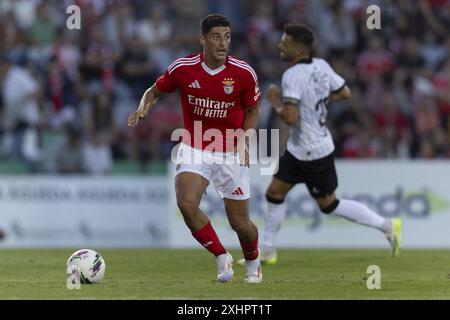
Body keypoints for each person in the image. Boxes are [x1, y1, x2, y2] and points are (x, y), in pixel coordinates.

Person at [251, 23, 402, 265]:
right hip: (301, 147)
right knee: (274, 192)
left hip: (312, 152)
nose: (280, 45)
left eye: (285, 43)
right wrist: (316, 97)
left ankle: (387, 225)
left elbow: (289, 117)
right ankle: (267, 251)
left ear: (299, 49)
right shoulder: (321, 66)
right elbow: (345, 93)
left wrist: (275, 101)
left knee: (329, 204)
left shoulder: (292, 75)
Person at [128, 14, 262, 283]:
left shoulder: (243, 73)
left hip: (230, 151)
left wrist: (244, 140)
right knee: (186, 203)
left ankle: (253, 262)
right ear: (203, 39)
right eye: (216, 37)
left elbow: (253, 109)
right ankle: (222, 257)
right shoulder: (183, 67)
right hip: (195, 145)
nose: (223, 43)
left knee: (240, 224)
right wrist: (144, 107)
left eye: (227, 37)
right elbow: (154, 90)